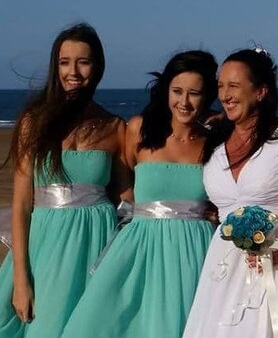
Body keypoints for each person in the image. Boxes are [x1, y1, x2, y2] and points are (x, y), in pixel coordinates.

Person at [61, 50, 218, 337]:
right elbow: (122, 188)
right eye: (177, 91)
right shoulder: (138, 130)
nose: (184, 102)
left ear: (206, 96)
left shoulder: (214, 143)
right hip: (142, 246)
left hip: (195, 251)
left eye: (194, 93)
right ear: (166, 90)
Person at [0, 23, 129, 337]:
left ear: (96, 67)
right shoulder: (34, 122)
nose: (73, 71)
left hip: (97, 246)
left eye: (83, 62)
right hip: (45, 246)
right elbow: (20, 205)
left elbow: (129, 198)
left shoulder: (115, 127)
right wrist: (21, 279)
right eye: (64, 61)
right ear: (55, 66)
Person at [183, 48, 278, 338]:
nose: (225, 95)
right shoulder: (214, 138)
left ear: (261, 91)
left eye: (234, 86)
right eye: (221, 86)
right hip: (224, 268)